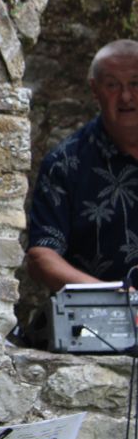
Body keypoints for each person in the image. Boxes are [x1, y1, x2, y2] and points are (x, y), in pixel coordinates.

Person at [27, 39, 138, 291]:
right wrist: (111, 295)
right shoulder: (64, 163)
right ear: (94, 89)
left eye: (135, 83)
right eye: (112, 85)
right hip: (99, 319)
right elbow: (42, 255)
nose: (126, 96)